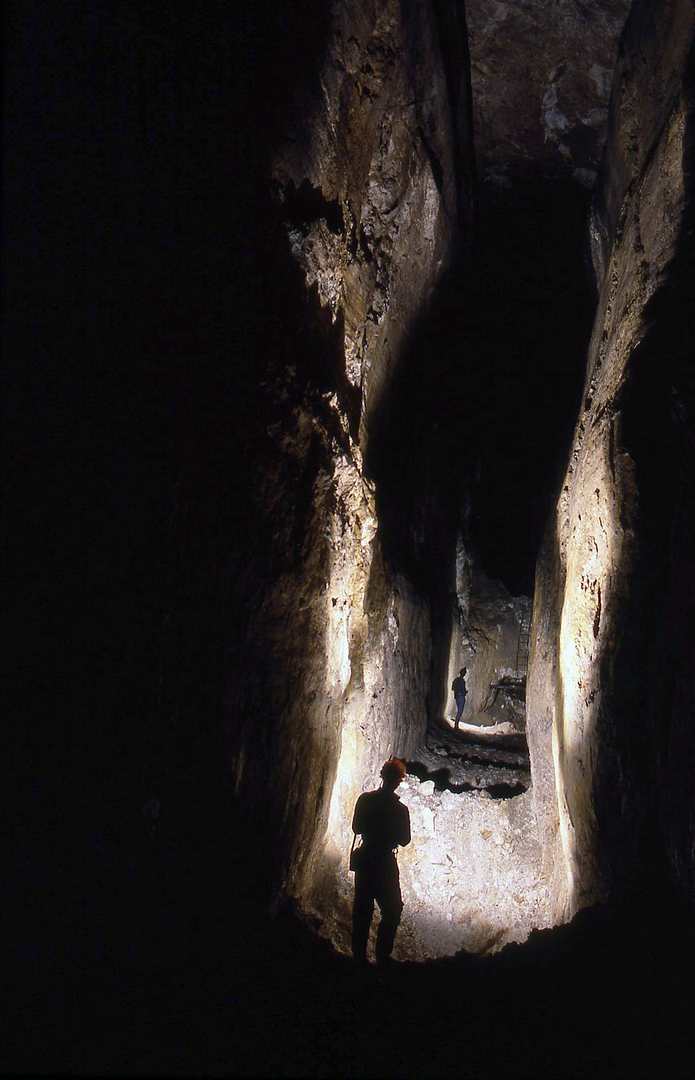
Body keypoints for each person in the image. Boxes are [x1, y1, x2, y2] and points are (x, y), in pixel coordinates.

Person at [351, 757, 411, 967]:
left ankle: (358, 958)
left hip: (366, 858)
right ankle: (382, 958)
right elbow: (405, 840)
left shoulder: (365, 800)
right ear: (398, 781)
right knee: (392, 910)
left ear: (382, 776)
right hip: (385, 862)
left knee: (362, 910)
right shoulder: (400, 810)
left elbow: (356, 828)